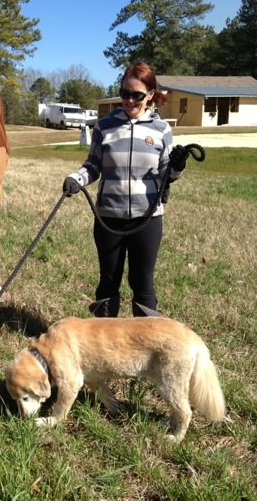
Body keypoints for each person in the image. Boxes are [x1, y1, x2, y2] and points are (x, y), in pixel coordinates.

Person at [62, 61, 189, 317]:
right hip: (108, 219)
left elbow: (167, 175)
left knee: (142, 285)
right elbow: (93, 165)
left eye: (137, 95)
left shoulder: (161, 129)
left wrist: (177, 167)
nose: (129, 101)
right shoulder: (104, 126)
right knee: (108, 284)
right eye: (124, 94)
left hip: (147, 219)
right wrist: (76, 178)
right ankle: (104, 344)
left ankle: (145, 343)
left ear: (150, 95)